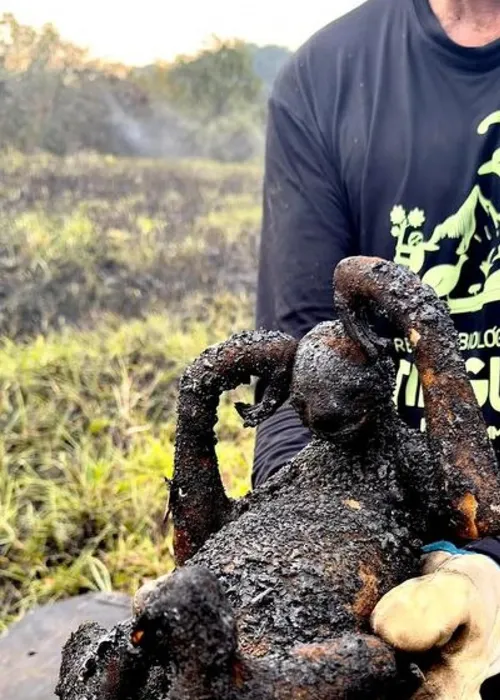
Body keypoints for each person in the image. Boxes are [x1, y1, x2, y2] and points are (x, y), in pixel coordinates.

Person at [253, 0, 500, 696]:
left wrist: (490, 565)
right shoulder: (327, 76)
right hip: (393, 546)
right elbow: (291, 363)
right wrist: (328, 555)